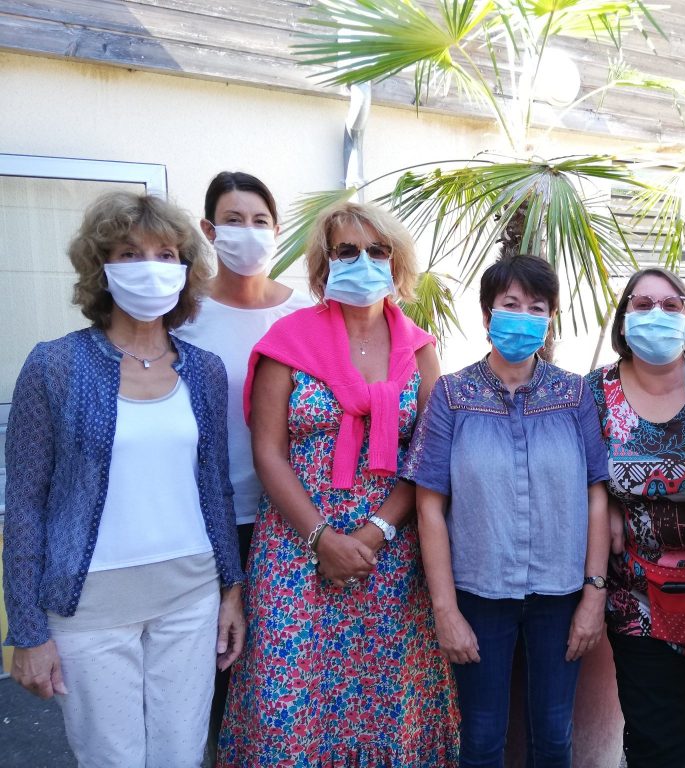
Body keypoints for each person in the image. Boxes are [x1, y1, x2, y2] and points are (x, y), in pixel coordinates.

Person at [2, 191, 244, 767]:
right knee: (112, 760)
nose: (151, 267)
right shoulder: (54, 365)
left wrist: (231, 591)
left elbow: (215, 487)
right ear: (102, 268)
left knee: (182, 756)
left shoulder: (204, 371)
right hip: (88, 608)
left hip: (189, 598)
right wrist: (27, 631)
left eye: (166, 254)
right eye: (130, 253)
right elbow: (25, 503)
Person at [216, 200, 458, 766]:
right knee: (288, 701)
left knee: (387, 703)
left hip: (390, 556)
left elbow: (428, 456)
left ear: (397, 266)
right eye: (347, 251)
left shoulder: (420, 350)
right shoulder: (288, 340)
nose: (364, 262)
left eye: (378, 251)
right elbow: (268, 453)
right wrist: (322, 538)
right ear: (325, 266)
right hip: (296, 551)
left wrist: (372, 534)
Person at [402, 254, 610, 768]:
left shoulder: (575, 394)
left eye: (535, 307)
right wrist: (445, 609)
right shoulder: (451, 394)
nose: (522, 316)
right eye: (510, 304)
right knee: (481, 738)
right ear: (488, 315)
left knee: (555, 739)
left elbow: (595, 496)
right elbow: (429, 506)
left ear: (550, 318)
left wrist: (593, 595)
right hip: (479, 594)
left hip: (560, 595)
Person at [173, 171, 312, 755]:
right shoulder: (182, 313)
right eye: (233, 221)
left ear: (277, 232)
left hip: (289, 519)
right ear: (209, 230)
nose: (247, 233)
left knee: (280, 678)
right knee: (215, 674)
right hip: (207, 516)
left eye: (260, 221)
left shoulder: (304, 314)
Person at [585, 267, 685, 768]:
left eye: (671, 304)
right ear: (623, 319)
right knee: (657, 746)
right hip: (638, 602)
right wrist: (612, 502)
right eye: (641, 305)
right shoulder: (595, 392)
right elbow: (587, 474)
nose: (656, 315)